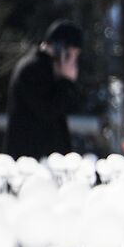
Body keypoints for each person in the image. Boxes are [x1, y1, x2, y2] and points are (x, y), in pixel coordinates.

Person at [5, 20, 83, 159]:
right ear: (62, 49)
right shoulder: (33, 69)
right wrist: (66, 82)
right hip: (31, 160)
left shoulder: (49, 69)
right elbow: (48, 109)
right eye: (72, 54)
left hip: (44, 158)